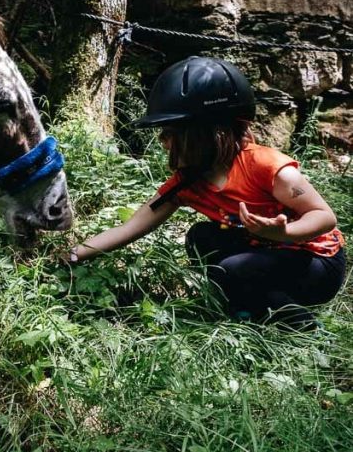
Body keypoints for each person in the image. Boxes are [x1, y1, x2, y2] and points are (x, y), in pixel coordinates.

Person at [67, 56, 346, 330]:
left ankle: (300, 324)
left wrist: (282, 233)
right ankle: (252, 308)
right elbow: (131, 228)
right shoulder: (187, 183)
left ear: (209, 132)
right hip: (265, 251)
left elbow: (324, 216)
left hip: (317, 263)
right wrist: (74, 255)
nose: (163, 142)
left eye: (170, 132)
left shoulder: (267, 167)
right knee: (201, 238)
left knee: (233, 269)